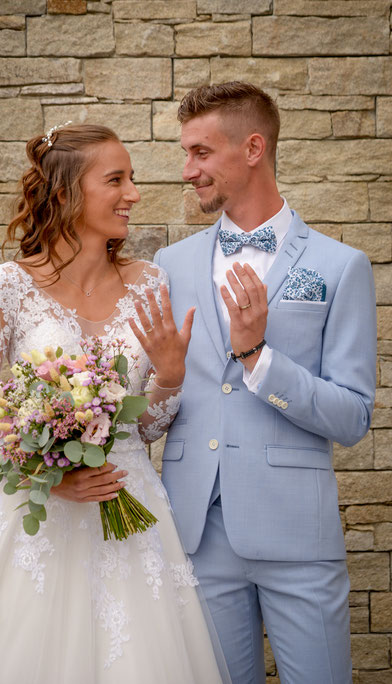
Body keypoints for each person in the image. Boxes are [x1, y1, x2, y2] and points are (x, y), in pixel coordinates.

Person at [0, 123, 231, 684]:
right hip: (36, 518)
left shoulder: (151, 285)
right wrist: (41, 470)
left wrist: (169, 378)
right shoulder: (6, 287)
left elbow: (146, 427)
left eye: (133, 179)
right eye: (116, 179)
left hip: (129, 505)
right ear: (66, 193)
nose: (134, 194)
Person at [155, 82, 377, 684]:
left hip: (296, 536)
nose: (187, 170)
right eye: (186, 153)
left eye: (201, 153)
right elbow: (160, 393)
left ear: (253, 148)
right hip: (196, 531)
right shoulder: (169, 269)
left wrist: (258, 357)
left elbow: (354, 417)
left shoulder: (339, 267)